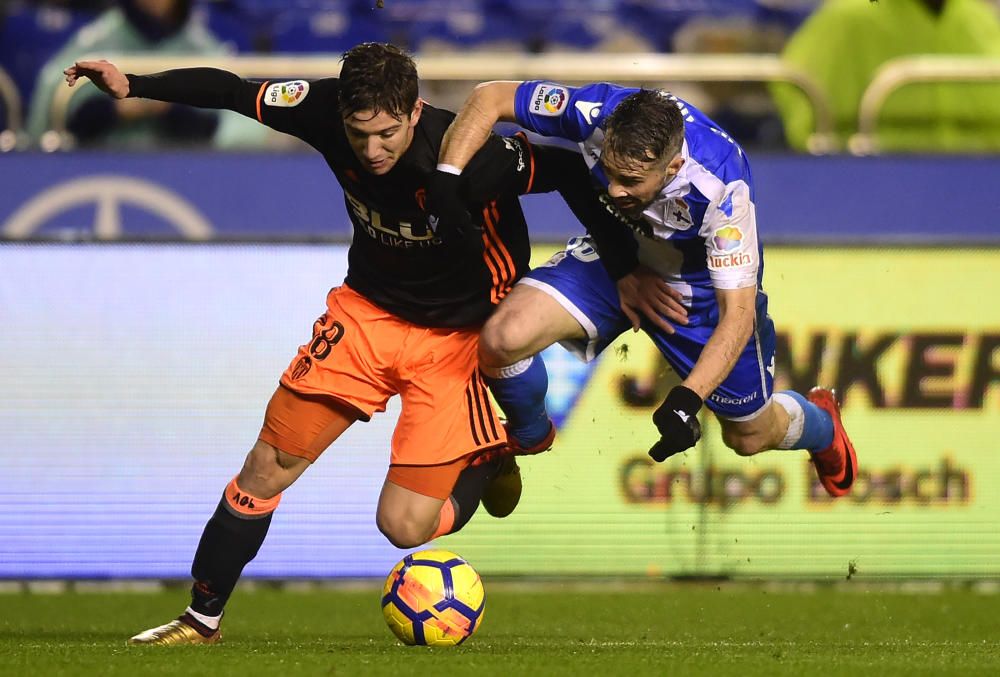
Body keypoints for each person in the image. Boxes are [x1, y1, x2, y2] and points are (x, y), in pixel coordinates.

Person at [64, 43, 648, 645]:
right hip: (365, 315)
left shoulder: (469, 156)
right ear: (341, 112)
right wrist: (132, 83)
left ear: (415, 112)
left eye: (388, 134)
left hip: (457, 338)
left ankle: (493, 455)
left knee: (403, 526)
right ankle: (200, 620)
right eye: (359, 134)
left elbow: (572, 170)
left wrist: (626, 265)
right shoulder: (320, 108)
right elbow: (231, 89)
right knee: (266, 466)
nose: (373, 151)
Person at [432, 79, 858, 496]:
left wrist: (686, 400)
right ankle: (525, 438)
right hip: (614, 251)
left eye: (631, 181)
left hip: (697, 293)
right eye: (610, 173)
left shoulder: (724, 192)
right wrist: (445, 183)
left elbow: (739, 316)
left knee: (749, 437)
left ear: (672, 167)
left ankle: (820, 425)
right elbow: (490, 97)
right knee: (502, 338)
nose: (615, 190)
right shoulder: (593, 110)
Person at [29, 0, 264, 149]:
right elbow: (49, 126)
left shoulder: (207, 51)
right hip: (92, 175)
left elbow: (241, 134)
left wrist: (170, 111)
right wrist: (113, 111)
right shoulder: (91, 46)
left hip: (189, 178)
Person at [771, 0, 1000, 152]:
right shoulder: (846, 20)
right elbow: (806, 122)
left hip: (981, 188)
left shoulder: (982, 19)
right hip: (878, 185)